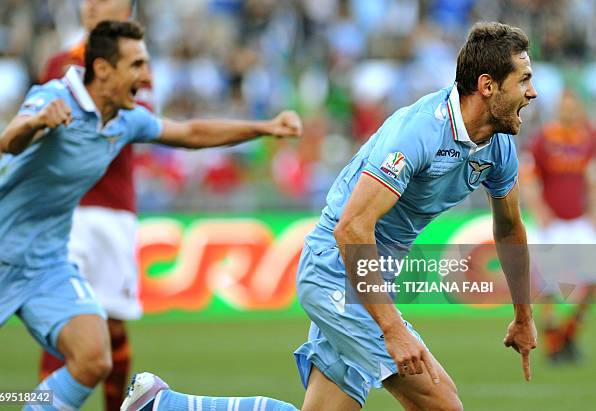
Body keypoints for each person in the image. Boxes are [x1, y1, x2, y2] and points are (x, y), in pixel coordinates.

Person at [121, 21, 538, 411]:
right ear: (487, 86)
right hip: (337, 270)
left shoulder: (498, 146)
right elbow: (351, 226)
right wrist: (391, 327)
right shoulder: (419, 131)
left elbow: (509, 228)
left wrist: (522, 316)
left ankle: (163, 404)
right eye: (524, 79)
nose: (532, 92)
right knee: (443, 403)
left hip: (373, 274)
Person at [0, 20, 301, 411]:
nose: (146, 75)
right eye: (136, 64)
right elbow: (9, 139)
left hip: (46, 263)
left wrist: (264, 127)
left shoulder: (124, 119)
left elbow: (191, 134)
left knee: (92, 358)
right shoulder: (56, 97)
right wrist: (36, 122)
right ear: (102, 69)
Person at [37, 1, 152, 409]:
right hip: (65, 209)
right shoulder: (57, 63)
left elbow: (143, 119)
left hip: (113, 210)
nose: (92, 7)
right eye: (87, 0)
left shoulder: (135, 61)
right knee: (63, 323)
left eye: (104, 0)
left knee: (113, 324)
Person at [521, 88, 596, 363]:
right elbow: (529, 176)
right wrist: (539, 210)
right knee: (549, 285)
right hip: (552, 224)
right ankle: (554, 341)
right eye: (564, 106)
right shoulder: (543, 139)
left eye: (572, 106)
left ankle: (569, 332)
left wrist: (593, 212)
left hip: (580, 222)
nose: (569, 111)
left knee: (590, 282)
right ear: (558, 109)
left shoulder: (588, 137)